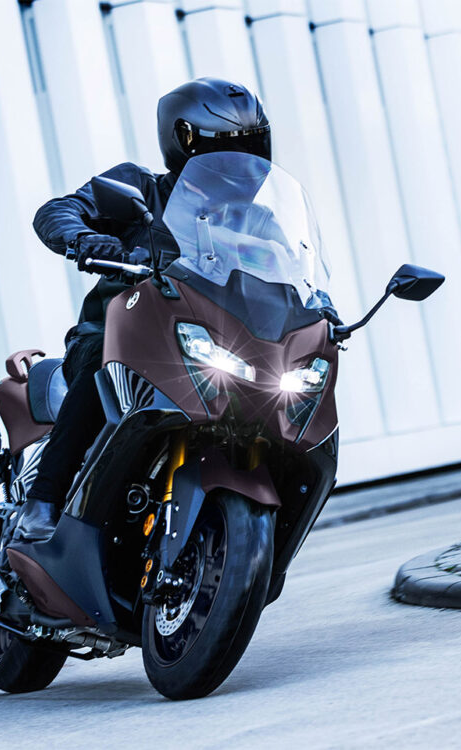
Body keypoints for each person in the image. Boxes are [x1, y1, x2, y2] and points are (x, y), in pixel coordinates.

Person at [14, 77, 273, 542]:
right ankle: (42, 501)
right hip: (122, 335)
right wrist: (88, 238)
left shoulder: (258, 222)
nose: (240, 161)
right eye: (226, 149)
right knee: (104, 363)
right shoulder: (141, 189)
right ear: (185, 142)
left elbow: (291, 271)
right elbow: (58, 210)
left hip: (211, 346)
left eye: (250, 146)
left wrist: (319, 305)